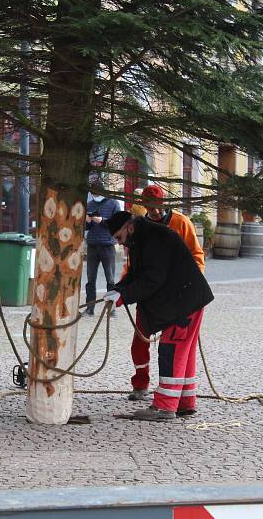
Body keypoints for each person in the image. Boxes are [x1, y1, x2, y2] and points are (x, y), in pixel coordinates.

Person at [106, 211, 214, 421]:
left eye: (119, 238)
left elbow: (152, 279)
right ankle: (185, 402)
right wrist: (119, 289)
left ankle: (165, 406)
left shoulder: (154, 239)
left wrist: (123, 296)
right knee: (185, 354)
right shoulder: (142, 239)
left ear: (129, 227)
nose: (119, 244)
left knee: (171, 350)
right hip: (187, 300)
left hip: (183, 303)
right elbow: (137, 273)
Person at [127, 185, 206, 405]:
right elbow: (134, 264)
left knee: (174, 347)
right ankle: (141, 384)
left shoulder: (181, 223)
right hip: (150, 295)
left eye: (155, 206)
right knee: (140, 341)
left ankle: (173, 400)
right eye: (148, 207)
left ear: (162, 204)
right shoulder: (141, 227)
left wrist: (190, 283)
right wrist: (124, 289)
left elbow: (197, 255)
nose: (153, 211)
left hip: (176, 297)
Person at [83, 178, 120, 317]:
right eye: (93, 194)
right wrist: (87, 222)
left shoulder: (113, 204)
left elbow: (118, 224)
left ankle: (111, 309)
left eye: (96, 194)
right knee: (90, 279)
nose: (95, 197)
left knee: (110, 279)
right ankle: (89, 308)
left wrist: (103, 221)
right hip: (92, 245)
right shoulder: (90, 204)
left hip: (108, 246)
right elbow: (86, 227)